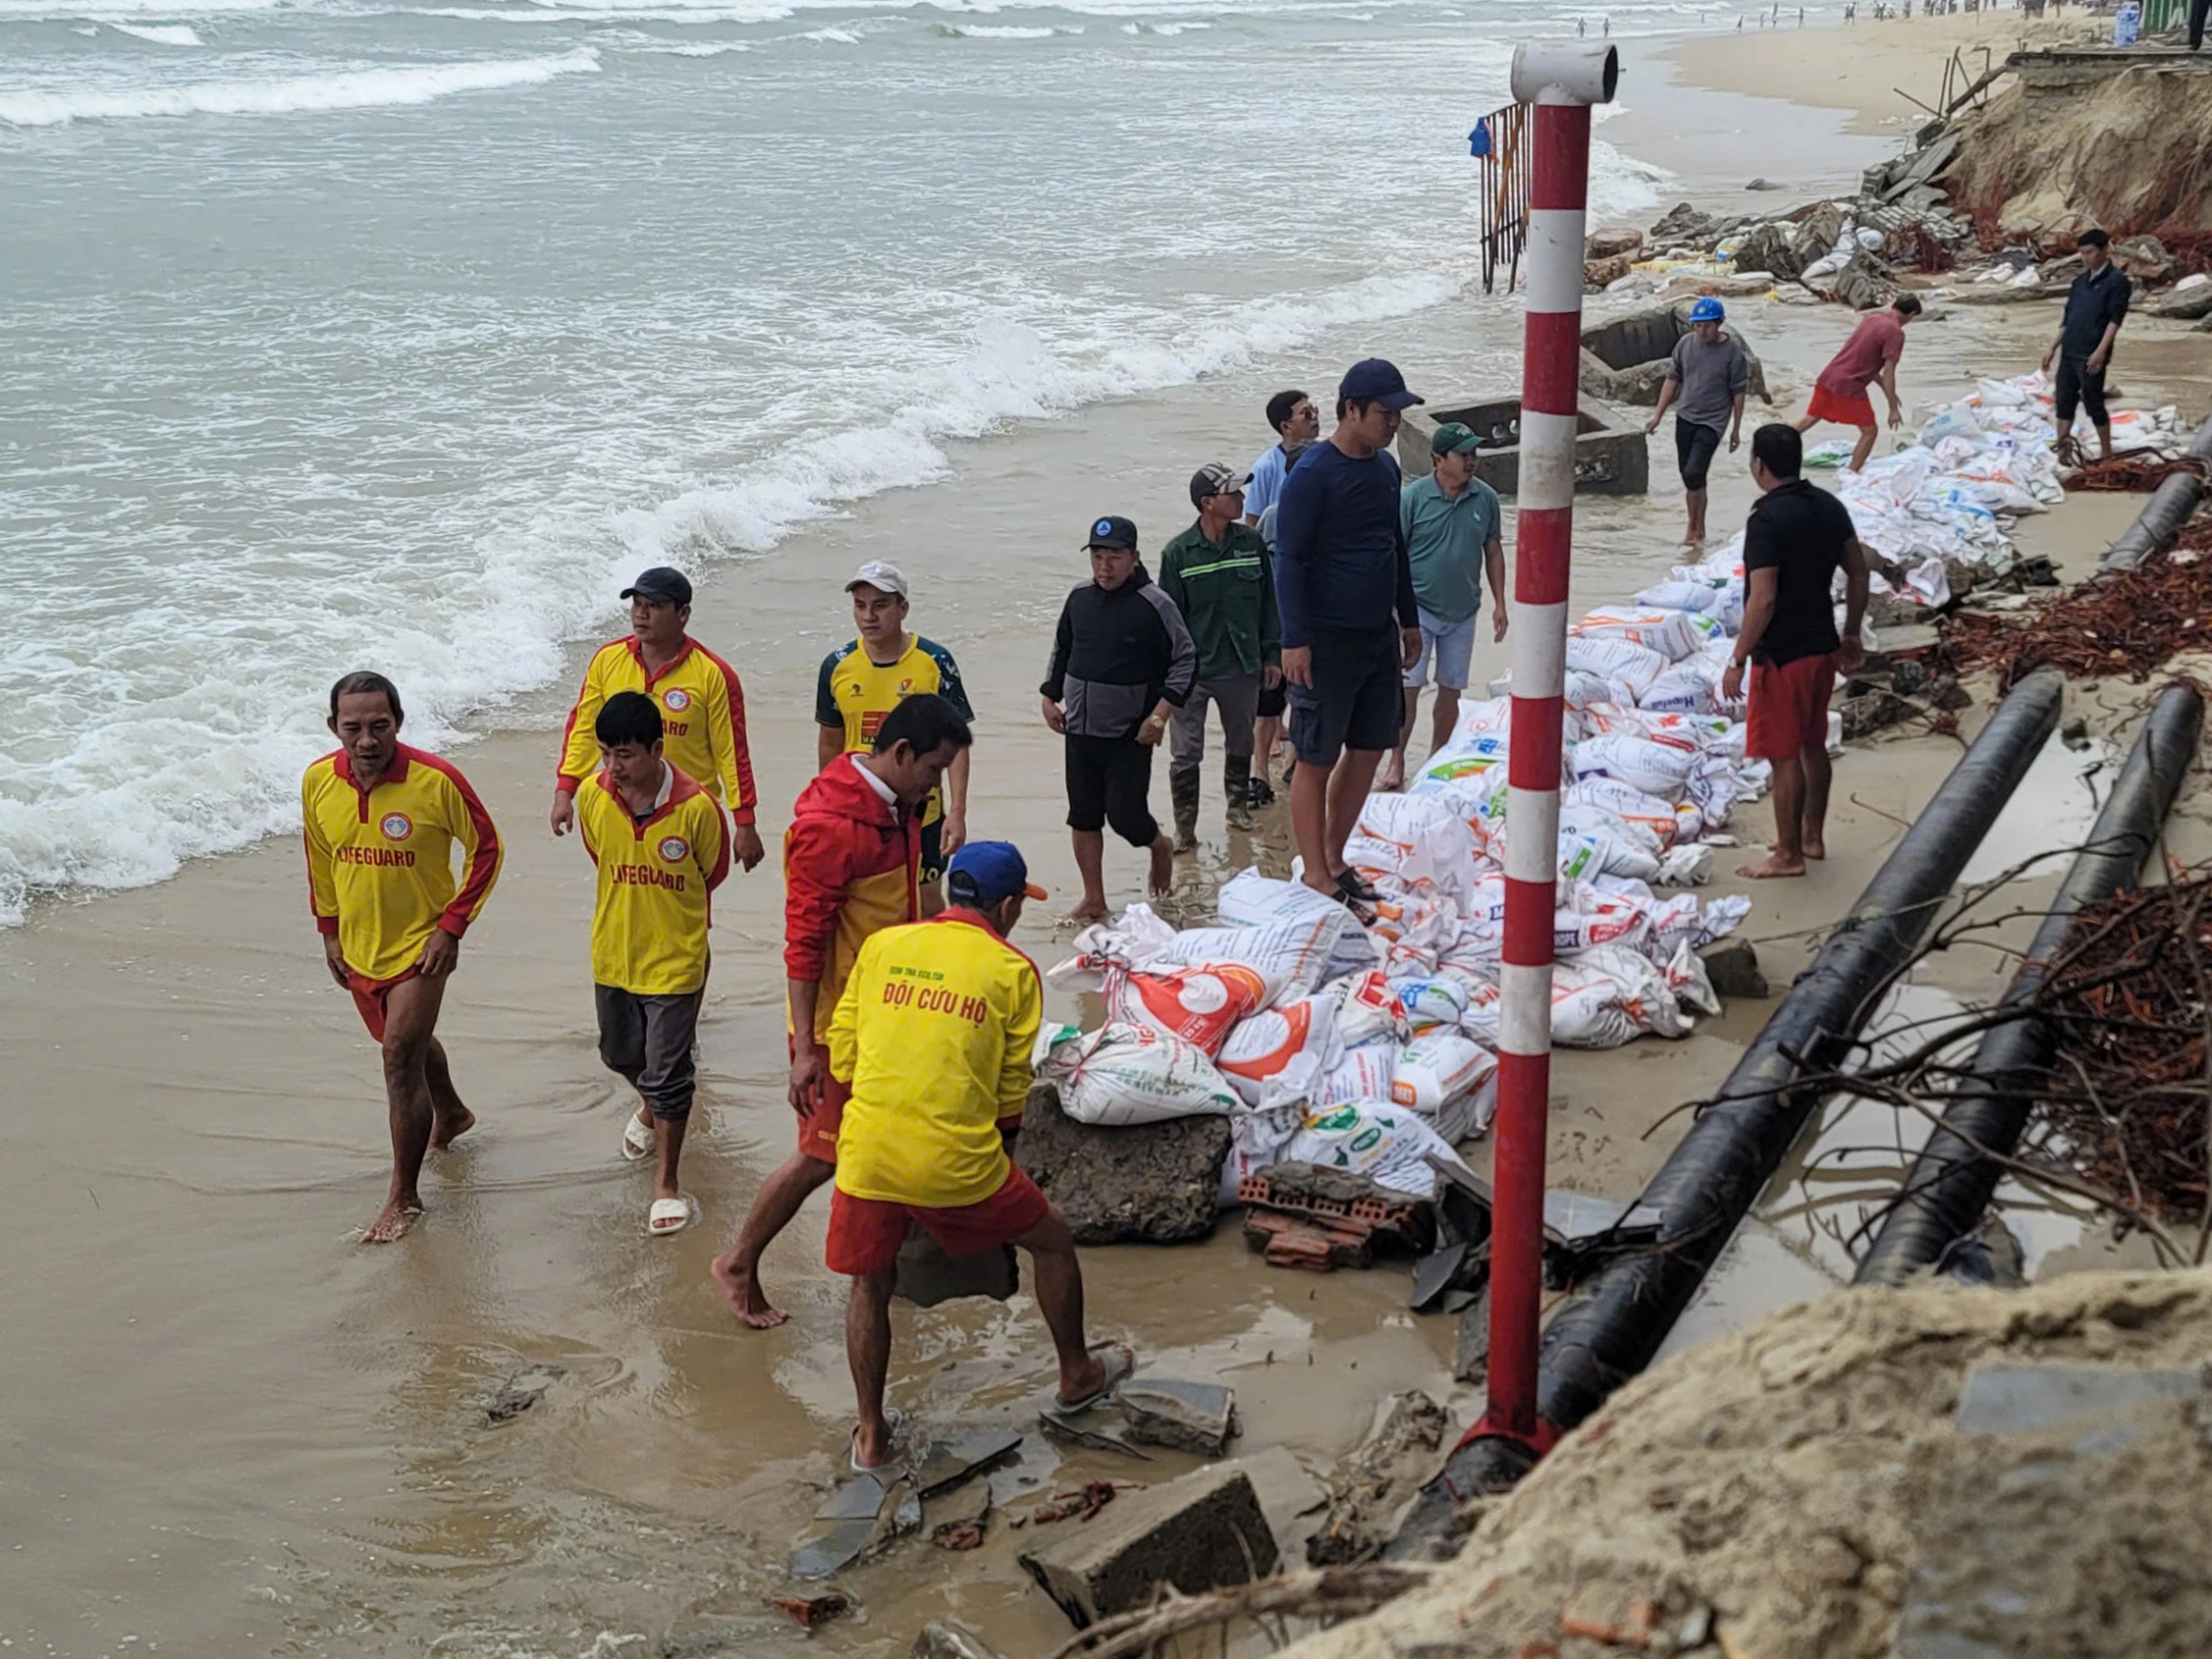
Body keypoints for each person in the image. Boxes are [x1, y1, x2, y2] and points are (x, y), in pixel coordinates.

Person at [824, 841, 1129, 1471]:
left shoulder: (884, 945)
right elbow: (1007, 1096)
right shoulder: (1013, 970)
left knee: (870, 1283)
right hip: (953, 1157)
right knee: (1052, 1239)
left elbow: (843, 1057)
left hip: (868, 1150)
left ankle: (871, 1435)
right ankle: (1076, 1373)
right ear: (1009, 905)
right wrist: (1003, 1166)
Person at [709, 693, 973, 1328]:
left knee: (899, 1132)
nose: (935, 786)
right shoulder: (830, 827)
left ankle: (902, 1269)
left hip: (892, 1010)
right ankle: (739, 1260)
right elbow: (802, 942)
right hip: (838, 1027)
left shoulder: (897, 803)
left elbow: (907, 895)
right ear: (902, 754)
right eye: (933, 770)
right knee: (822, 1154)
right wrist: (804, 1050)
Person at [302, 671, 503, 1243]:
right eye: (353, 728)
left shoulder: (437, 781)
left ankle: (404, 1197)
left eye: (379, 726)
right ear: (334, 727)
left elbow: (488, 849)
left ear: (399, 723)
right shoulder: (318, 781)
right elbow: (319, 858)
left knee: (396, 1058)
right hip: (360, 944)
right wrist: (329, 932)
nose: (367, 740)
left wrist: (452, 926)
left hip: (422, 946)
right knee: (407, 1045)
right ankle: (453, 1112)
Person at [572, 690, 729, 1237]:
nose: (614, 768)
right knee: (618, 1055)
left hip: (675, 960)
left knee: (668, 1073)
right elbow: (602, 854)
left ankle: (667, 1183)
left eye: (627, 755)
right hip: (613, 953)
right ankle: (650, 1109)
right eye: (606, 754)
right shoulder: (594, 796)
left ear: (657, 749)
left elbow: (713, 872)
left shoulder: (696, 809)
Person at [1273, 358, 1423, 905]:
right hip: (1324, 640)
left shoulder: (1386, 470)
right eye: (1386, 413)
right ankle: (1314, 871)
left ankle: (1335, 857)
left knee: (1367, 750)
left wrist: (1408, 618)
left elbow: (1394, 548)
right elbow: (1288, 559)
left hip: (1377, 635)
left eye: (1399, 415)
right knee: (1317, 756)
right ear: (1352, 410)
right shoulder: (1312, 474)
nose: (1393, 425)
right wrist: (1293, 640)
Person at [1721, 426, 1869, 882]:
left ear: (1759, 464)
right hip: (1822, 646)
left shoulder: (1765, 520)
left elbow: (1762, 599)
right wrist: (1851, 633)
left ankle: (1787, 856)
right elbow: (1859, 573)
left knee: (1783, 755)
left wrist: (1738, 658)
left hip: (1781, 656)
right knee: (1812, 744)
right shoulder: (1828, 506)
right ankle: (1811, 837)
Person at [551, 565, 766, 877]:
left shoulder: (713, 674)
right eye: (637, 604)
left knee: (680, 909)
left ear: (683, 614)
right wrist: (565, 792)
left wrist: (744, 822)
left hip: (687, 811)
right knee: (624, 900)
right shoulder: (607, 660)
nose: (641, 614)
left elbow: (731, 753)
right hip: (621, 806)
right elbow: (584, 729)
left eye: (654, 606)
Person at [1041, 516, 1196, 924]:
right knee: (1083, 816)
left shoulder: (1155, 603)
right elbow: (1063, 648)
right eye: (1097, 555)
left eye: (1114, 556)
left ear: (1134, 558)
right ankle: (1094, 898)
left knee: (1125, 818)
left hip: (1131, 733)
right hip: (1078, 730)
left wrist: (1161, 715)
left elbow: (1185, 659)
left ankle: (1159, 845)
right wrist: (1047, 696)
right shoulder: (1079, 598)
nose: (1104, 566)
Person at [816, 561, 974, 913]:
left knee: (927, 903)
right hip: (860, 813)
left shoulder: (934, 661)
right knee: (865, 905)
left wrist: (958, 812)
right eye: (860, 606)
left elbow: (957, 745)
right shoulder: (837, 666)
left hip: (924, 811)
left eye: (880, 606)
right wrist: (828, 806)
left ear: (903, 609)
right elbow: (830, 743)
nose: (868, 616)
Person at [1158, 463, 1280, 850]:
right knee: (1185, 752)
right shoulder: (1177, 553)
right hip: (1192, 671)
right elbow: (1168, 619)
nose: (1242, 498)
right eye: (1233, 493)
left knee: (1240, 740)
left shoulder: (1251, 543)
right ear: (1208, 503)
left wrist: (1272, 654)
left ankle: (1236, 807)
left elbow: (1268, 605)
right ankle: (1185, 828)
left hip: (1242, 664)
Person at [1382, 421, 1506, 792]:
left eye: (1474, 454)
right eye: (1463, 454)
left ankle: (1437, 758)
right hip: (1416, 610)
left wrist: (1500, 603)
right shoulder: (1413, 498)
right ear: (1438, 459)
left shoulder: (1485, 498)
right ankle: (1396, 761)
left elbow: (1493, 550)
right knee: (1408, 690)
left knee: (1451, 690)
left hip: (1463, 610)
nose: (1471, 461)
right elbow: (1393, 553)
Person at [1644, 297, 1750, 549]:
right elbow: (1672, 380)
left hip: (1713, 422)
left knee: (1694, 472)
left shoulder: (1732, 353)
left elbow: (1738, 393)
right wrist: (1658, 415)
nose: (1702, 331)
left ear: (1719, 324)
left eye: (1708, 326)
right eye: (1698, 326)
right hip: (1685, 417)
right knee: (1690, 478)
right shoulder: (1685, 345)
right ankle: (1694, 527)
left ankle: (1696, 531)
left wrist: (1735, 428)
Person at [1793, 294, 1922, 473]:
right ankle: (1851, 474)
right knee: (1870, 432)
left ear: (1894, 304)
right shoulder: (1895, 332)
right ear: (1911, 314)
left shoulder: (1872, 319)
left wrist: (1888, 392)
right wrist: (1893, 408)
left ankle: (1770, 443)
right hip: (1848, 385)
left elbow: (1867, 360)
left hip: (1829, 376)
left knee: (1810, 418)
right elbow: (1888, 371)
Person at [2041, 229, 2131, 464]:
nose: (2085, 258)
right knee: (2064, 401)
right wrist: (2052, 348)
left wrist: (2101, 351)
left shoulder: (2116, 281)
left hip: (2092, 353)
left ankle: (2106, 452)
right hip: (2070, 350)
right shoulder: (2079, 283)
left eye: (2090, 252)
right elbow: (2067, 320)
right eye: (2082, 253)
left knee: (2093, 402)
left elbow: (2115, 320)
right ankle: (2063, 452)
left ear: (2104, 250)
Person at [1242, 390, 1321, 529]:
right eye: (1306, 414)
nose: (1314, 417)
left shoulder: (1326, 456)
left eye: (1314, 410)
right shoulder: (1265, 467)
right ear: (1285, 426)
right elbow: (1253, 522)